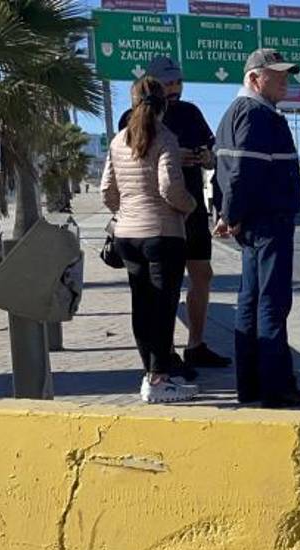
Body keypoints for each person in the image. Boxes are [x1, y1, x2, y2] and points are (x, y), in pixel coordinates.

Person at [214, 49, 300, 409]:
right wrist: (232, 215)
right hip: (268, 222)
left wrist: (227, 213)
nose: (284, 81)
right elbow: (243, 172)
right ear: (254, 78)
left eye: (286, 75)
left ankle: (253, 386)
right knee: (271, 304)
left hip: (256, 221)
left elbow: (224, 173)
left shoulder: (239, 113)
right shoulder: (256, 114)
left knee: (252, 301)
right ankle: (276, 387)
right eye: (277, 75)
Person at [118, 56, 232, 374]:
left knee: (201, 275)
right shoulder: (131, 118)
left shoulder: (191, 113)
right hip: (159, 216)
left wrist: (206, 157)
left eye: (179, 82)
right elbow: (132, 162)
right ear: (152, 85)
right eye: (168, 83)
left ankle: (195, 345)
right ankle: (162, 357)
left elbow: (213, 158)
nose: (175, 88)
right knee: (159, 291)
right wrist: (173, 157)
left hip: (192, 210)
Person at [101, 76, 199, 403]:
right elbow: (170, 188)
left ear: (133, 103)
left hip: (127, 236)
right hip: (162, 234)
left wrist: (126, 211)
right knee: (163, 306)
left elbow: (106, 191)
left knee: (141, 306)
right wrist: (190, 206)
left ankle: (149, 376)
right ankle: (159, 379)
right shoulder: (166, 138)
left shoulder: (118, 140)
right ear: (165, 104)